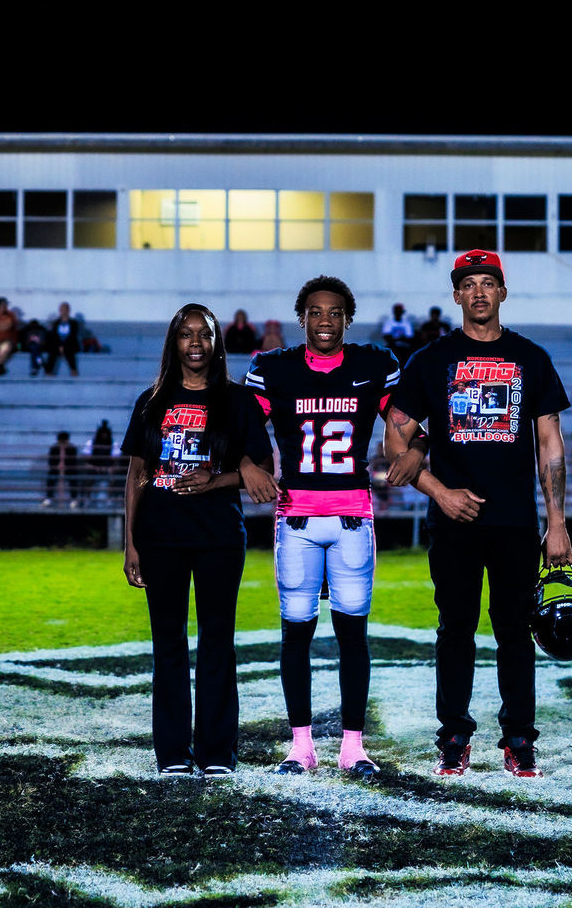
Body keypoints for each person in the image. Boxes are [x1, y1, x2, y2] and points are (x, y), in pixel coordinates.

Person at [385, 248, 572, 781]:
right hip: (454, 522)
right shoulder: (430, 360)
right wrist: (439, 491)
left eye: (488, 282)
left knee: (516, 632)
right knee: (456, 630)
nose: (479, 292)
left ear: (502, 292)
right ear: (456, 295)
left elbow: (550, 445)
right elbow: (393, 442)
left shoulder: (531, 358)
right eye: (469, 284)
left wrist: (556, 522)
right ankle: (454, 737)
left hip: (515, 521)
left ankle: (518, 739)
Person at [243, 275, 426, 779]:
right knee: (295, 634)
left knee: (353, 635)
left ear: (348, 318)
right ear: (302, 318)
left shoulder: (375, 365)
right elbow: (239, 427)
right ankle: (300, 746)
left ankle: (352, 747)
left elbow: (408, 423)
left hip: (351, 516)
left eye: (335, 312)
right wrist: (248, 464)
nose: (325, 320)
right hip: (296, 516)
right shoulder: (271, 368)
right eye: (316, 312)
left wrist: (419, 450)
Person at [122, 303, 273, 778]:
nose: (194, 342)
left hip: (218, 537)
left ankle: (215, 752)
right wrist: (130, 543)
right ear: (174, 342)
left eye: (203, 334)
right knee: (168, 645)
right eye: (185, 334)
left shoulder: (237, 401)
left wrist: (217, 479)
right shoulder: (151, 402)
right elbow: (137, 475)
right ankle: (171, 752)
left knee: (216, 642)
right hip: (160, 535)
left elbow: (263, 476)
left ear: (216, 343)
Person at [42, 431, 79, 507]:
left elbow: (74, 461)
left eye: (64, 441)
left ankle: (74, 499)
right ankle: (49, 498)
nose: (62, 443)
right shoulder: (54, 448)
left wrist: (66, 467)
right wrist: (56, 467)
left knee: (74, 478)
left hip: (69, 469)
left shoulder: (72, 448)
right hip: (56, 469)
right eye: (60, 441)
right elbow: (51, 461)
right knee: (50, 477)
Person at [45, 302, 80, 376]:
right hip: (58, 345)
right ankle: (49, 372)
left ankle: (73, 370)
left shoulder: (73, 323)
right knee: (52, 352)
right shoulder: (56, 323)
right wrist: (60, 345)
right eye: (61, 309)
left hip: (69, 344)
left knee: (69, 351)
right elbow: (54, 336)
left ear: (68, 310)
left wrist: (63, 345)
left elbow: (72, 336)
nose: (62, 311)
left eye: (64, 309)